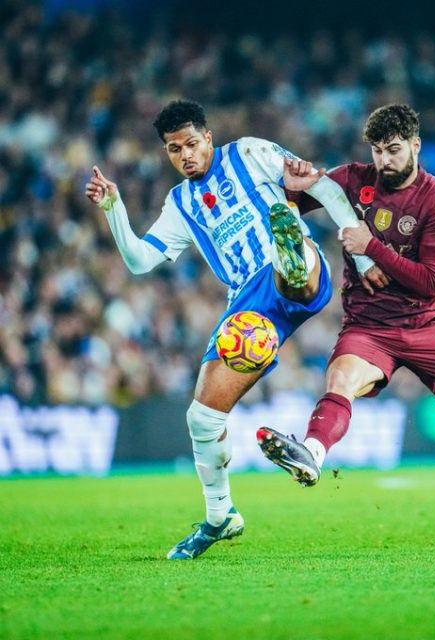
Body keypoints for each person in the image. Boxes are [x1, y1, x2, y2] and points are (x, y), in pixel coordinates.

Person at [85, 99, 386, 559]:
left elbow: (320, 187)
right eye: (173, 149)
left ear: (207, 137)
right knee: (201, 417)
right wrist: (114, 207)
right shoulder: (179, 203)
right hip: (248, 311)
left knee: (290, 265)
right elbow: (140, 261)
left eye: (190, 143)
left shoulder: (248, 153)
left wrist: (361, 253)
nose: (184, 155)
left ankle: (289, 248)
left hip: (292, 272)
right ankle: (220, 516)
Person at [257, 104, 435, 518]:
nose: (383, 160)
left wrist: (369, 246)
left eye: (392, 150)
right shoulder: (354, 180)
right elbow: (292, 209)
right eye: (376, 150)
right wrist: (291, 189)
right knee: (341, 380)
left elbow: (429, 281)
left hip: (429, 326)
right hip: (368, 327)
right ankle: (312, 454)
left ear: (415, 145)